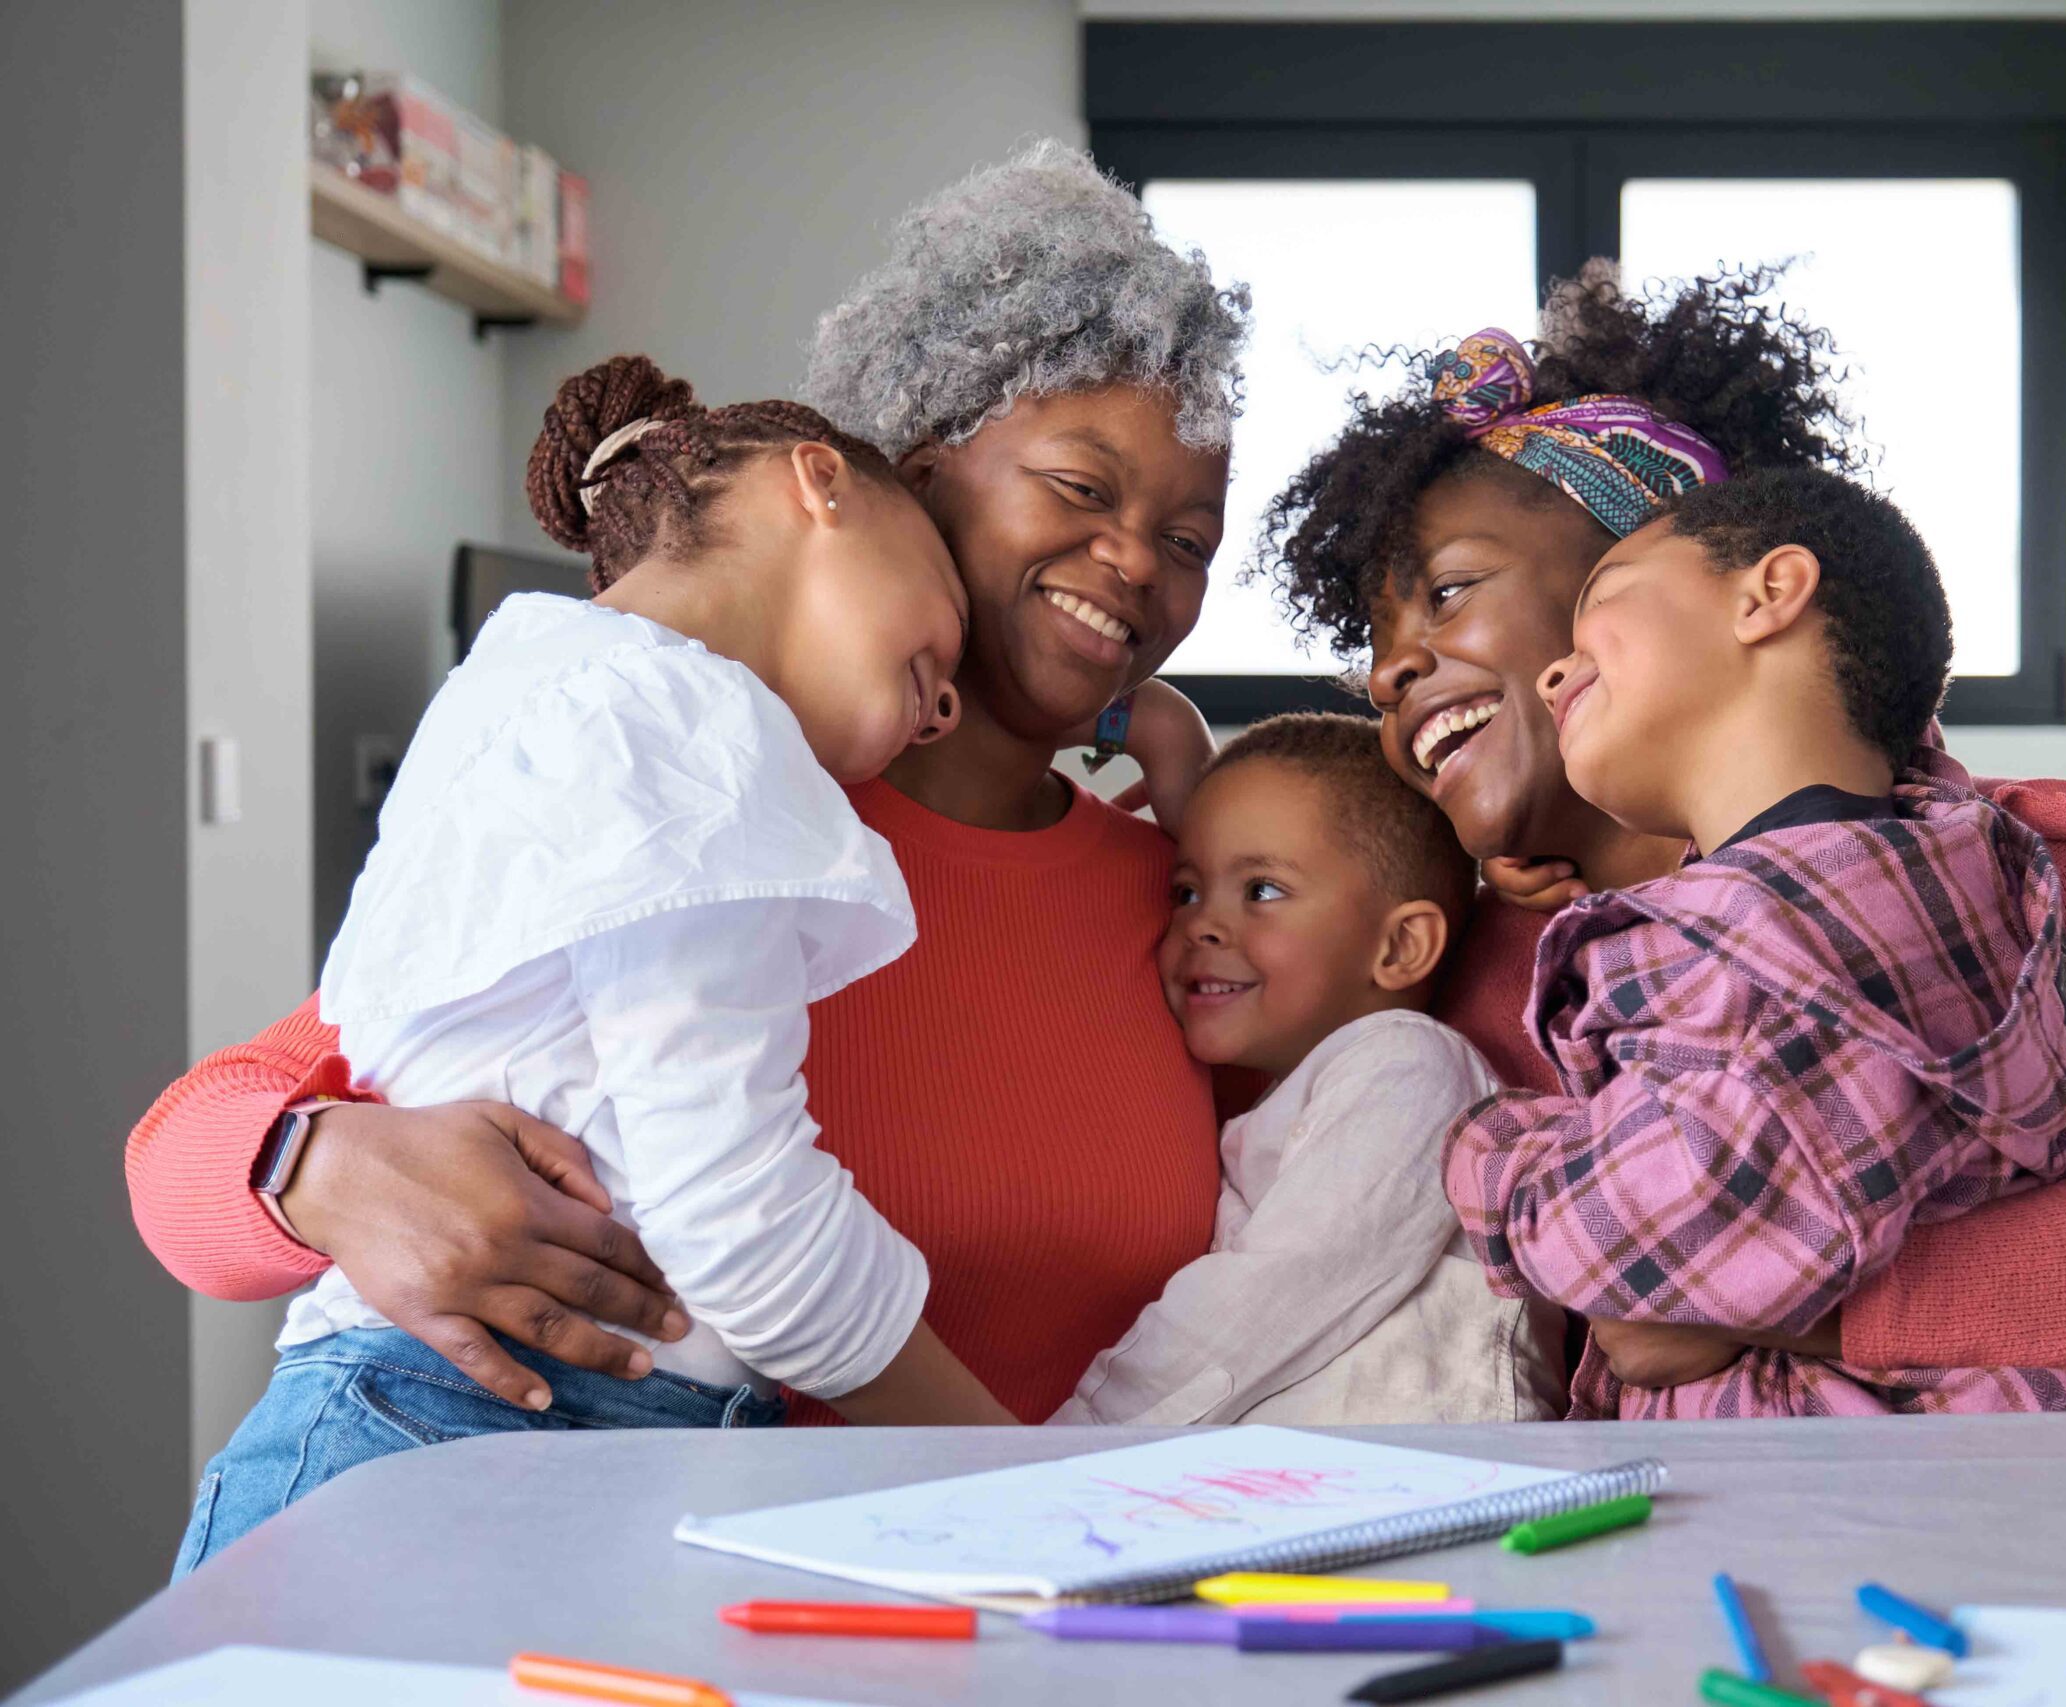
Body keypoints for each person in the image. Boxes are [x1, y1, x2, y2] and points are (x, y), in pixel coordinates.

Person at [126, 142, 1251, 1434]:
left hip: (1076, 1592)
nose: (1132, 559)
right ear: (915, 472)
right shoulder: (697, 817)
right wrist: (315, 1165)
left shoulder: (1179, 898)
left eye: (1188, 539)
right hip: (680, 1581)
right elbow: (180, 1156)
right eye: (1080, 486)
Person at [1263, 270, 2066, 1408]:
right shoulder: (1450, 949)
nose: (1388, 673)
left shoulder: (2015, 875)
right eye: (1371, 648)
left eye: (1449, 591)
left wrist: (1800, 1307)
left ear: (1704, 575)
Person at [178, 356, 1018, 1575]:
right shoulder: (697, 725)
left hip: (437, 1418)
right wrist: (1012, 1470)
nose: (940, 712)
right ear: (817, 484)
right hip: (493, 1431)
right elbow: (745, 1226)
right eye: (939, 633)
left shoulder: (529, 691)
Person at [1450, 467, 2066, 1418]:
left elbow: (1646, 1253)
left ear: (1767, 594)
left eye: (1601, 597)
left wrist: (1488, 1146)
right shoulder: (1926, 873)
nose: (1555, 672)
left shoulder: (1806, 919)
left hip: (1851, 1493)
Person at [1053, 714, 1563, 1427]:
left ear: (1401, 946)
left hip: (1436, 1485)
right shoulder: (1283, 1091)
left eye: (1261, 890)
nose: (1202, 924)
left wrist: (1073, 1438)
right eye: (1186, 891)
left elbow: (1271, 1292)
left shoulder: (1408, 1063)